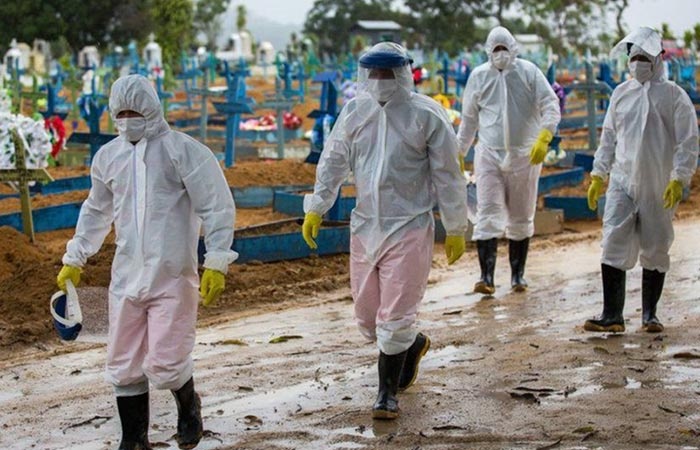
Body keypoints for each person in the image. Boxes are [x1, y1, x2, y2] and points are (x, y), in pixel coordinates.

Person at [55, 75, 237, 449]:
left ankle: (189, 405)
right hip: (125, 277)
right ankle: (134, 439)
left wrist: (217, 260)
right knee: (123, 362)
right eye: (120, 113)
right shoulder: (108, 157)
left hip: (172, 276)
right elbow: (96, 210)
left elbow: (216, 205)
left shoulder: (183, 152)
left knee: (168, 363)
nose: (127, 119)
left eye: (134, 112)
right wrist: (76, 256)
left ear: (151, 109)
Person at [301, 42, 468, 420]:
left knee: (393, 317)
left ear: (404, 73)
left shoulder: (426, 115)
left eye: (387, 72)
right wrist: (316, 207)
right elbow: (333, 161)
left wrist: (455, 225)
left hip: (409, 226)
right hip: (365, 227)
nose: (380, 80)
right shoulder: (355, 112)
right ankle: (413, 343)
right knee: (368, 319)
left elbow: (448, 173)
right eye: (373, 72)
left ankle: (385, 396)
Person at [584, 27, 698, 333]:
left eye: (644, 58)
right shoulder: (621, 94)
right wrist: (598, 174)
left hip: (658, 185)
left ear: (658, 59)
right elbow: (609, 138)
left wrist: (679, 178)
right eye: (634, 58)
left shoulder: (674, 96)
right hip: (622, 181)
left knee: (656, 245)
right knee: (612, 241)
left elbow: (688, 141)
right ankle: (612, 315)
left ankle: (650, 315)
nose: (638, 64)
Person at [457, 26, 561, 295]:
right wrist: (459, 152)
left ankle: (517, 275)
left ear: (513, 49)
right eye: (496, 49)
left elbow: (550, 104)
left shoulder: (529, 72)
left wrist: (544, 137)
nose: (500, 54)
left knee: (520, 214)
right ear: (488, 51)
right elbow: (469, 120)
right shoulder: (479, 77)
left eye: (504, 48)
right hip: (489, 154)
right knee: (487, 212)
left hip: (525, 155)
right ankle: (486, 277)